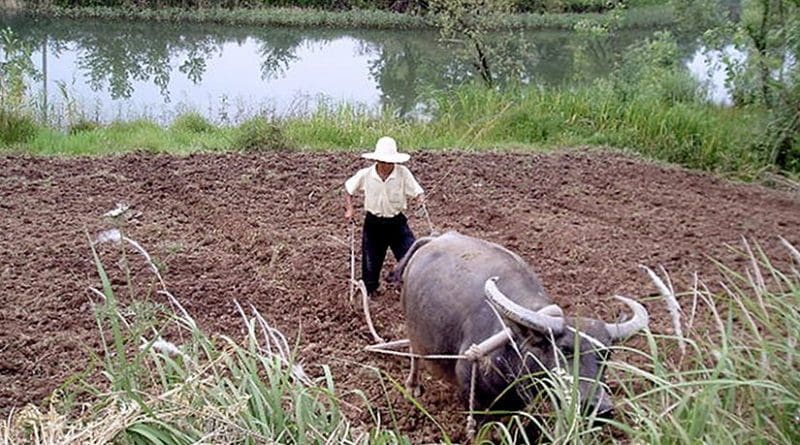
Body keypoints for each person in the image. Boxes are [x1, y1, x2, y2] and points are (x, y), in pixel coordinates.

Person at [344, 136, 425, 298]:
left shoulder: (403, 173)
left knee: (410, 255)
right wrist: (350, 209)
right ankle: (371, 291)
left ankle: (410, 287)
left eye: (390, 161)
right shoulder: (366, 174)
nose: (387, 165)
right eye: (384, 161)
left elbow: (418, 191)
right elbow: (348, 189)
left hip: (397, 223)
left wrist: (420, 199)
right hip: (374, 224)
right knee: (371, 262)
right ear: (377, 160)